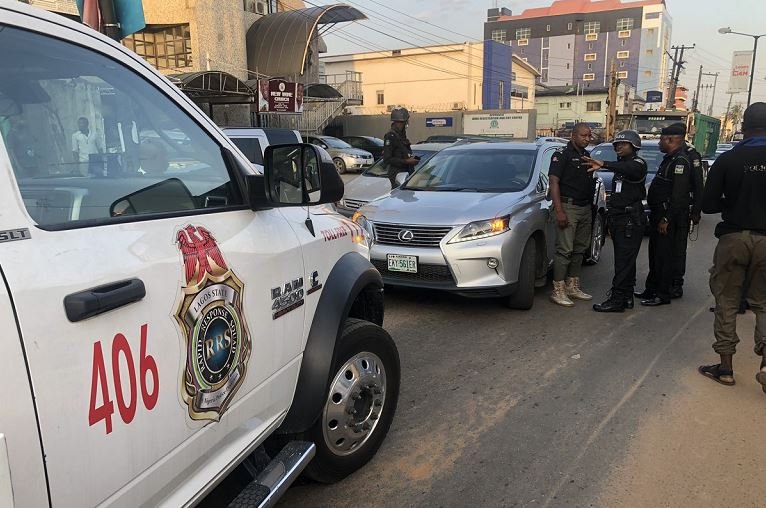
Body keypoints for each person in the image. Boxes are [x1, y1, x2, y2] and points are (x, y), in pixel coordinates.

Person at [698, 102, 766, 389]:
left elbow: (709, 204)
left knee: (726, 300)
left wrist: (735, 203)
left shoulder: (728, 160)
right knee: (763, 303)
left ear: (744, 127)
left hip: (733, 238)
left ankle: (725, 368)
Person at [584, 130, 647, 312]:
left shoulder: (637, 164)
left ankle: (617, 299)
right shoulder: (621, 165)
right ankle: (626, 296)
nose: (619, 147)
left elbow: (632, 170)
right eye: (617, 145)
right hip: (619, 219)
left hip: (630, 220)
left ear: (634, 146)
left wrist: (604, 164)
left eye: (623, 144)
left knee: (623, 262)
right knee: (625, 261)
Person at [548, 123, 595, 306]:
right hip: (568, 207)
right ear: (573, 135)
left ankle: (572, 286)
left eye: (589, 136)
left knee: (580, 249)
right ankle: (558, 290)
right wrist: (559, 211)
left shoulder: (586, 156)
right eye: (584, 135)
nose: (587, 138)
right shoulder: (561, 155)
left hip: (584, 208)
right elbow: (554, 183)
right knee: (564, 250)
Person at [670, 134, 705, 298]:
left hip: (684, 208)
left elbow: (698, 185)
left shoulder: (691, 155)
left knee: (678, 249)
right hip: (669, 207)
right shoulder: (671, 155)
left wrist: (696, 211)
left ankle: (677, 284)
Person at [383, 107, 419, 189]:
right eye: (405, 122)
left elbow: (404, 152)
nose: (406, 125)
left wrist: (411, 159)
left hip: (406, 173)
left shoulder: (401, 135)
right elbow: (387, 159)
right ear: (400, 122)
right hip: (397, 176)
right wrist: (406, 161)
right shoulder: (390, 136)